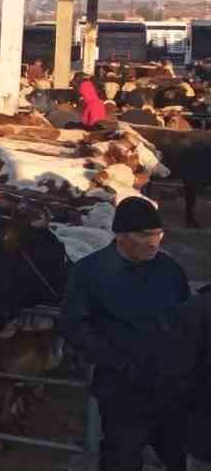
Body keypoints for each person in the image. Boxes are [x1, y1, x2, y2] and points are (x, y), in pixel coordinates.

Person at [61, 196, 190, 471]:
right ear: (120, 235)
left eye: (159, 234)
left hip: (170, 386)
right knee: (122, 457)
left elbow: (186, 318)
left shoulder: (169, 270)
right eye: (144, 235)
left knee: (178, 455)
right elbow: (74, 325)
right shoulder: (90, 272)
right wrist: (116, 360)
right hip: (122, 389)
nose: (154, 242)